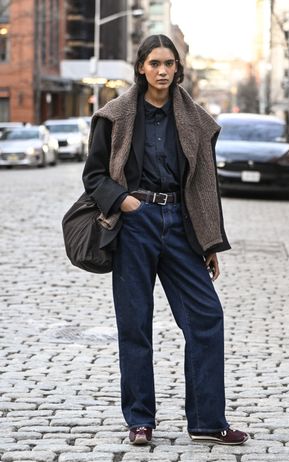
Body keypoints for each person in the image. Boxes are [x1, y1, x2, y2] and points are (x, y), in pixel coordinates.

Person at [83, 34, 249, 446]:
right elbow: (94, 176)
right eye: (154, 62)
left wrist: (208, 242)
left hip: (180, 225)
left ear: (178, 68)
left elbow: (205, 184)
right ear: (141, 67)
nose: (162, 70)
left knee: (206, 317)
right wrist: (122, 202)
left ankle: (207, 421)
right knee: (135, 325)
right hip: (134, 225)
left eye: (169, 63)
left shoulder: (195, 119)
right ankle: (140, 420)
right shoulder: (115, 115)